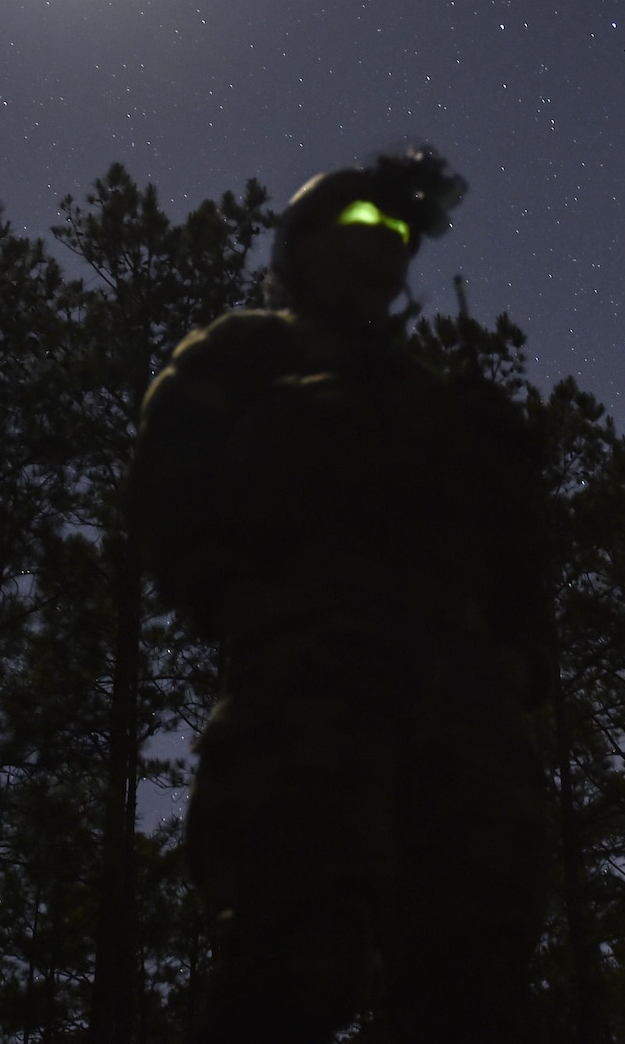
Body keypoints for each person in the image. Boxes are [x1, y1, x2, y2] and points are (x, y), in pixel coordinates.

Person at [129, 146, 554, 1043]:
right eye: (364, 226)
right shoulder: (247, 349)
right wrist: (223, 591)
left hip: (460, 691)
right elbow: (168, 475)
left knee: (476, 958)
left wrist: (520, 654)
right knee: (296, 931)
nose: (390, 243)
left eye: (400, 232)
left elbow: (513, 548)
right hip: (317, 675)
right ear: (303, 248)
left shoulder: (435, 397)